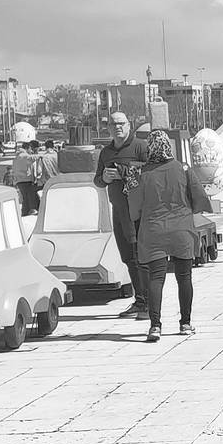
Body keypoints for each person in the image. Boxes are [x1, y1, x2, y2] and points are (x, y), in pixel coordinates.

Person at [133, 131, 212, 342]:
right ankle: (185, 323)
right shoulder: (183, 168)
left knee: (156, 278)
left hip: (154, 230)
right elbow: (199, 197)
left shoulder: (141, 173)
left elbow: (134, 207)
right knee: (184, 277)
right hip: (181, 230)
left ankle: (155, 326)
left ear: (150, 147)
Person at [94, 112, 150, 317]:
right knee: (127, 256)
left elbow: (151, 172)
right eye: (113, 124)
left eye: (121, 123)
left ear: (129, 125)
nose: (117, 127)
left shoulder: (140, 147)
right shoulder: (106, 152)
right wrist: (105, 179)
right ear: (108, 128)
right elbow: (97, 180)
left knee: (139, 256)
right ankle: (140, 299)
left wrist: (124, 173)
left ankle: (147, 301)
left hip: (137, 210)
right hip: (118, 209)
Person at [11, 142, 38, 216]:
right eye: (30, 149)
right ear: (27, 148)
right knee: (28, 197)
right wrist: (44, 156)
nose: (31, 151)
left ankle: (25, 212)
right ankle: (26, 212)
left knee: (25, 197)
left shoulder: (17, 156)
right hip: (25, 179)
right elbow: (33, 158)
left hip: (19, 180)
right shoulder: (24, 155)